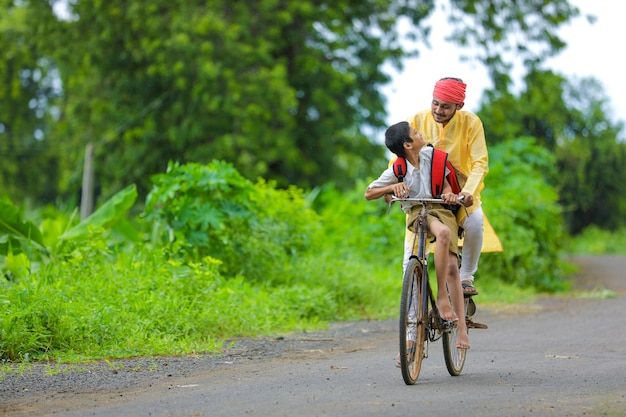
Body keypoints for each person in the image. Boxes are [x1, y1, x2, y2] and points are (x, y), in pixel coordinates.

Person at [365, 121, 470, 350]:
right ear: (408, 144)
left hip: (441, 210)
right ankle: (435, 304)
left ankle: (461, 327)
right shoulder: (398, 169)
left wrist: (450, 195)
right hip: (418, 213)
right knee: (435, 240)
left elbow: (446, 187)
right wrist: (391, 188)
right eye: (415, 132)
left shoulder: (433, 157)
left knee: (453, 267)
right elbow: (369, 192)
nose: (420, 133)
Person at [400, 77, 491, 296]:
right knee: (408, 263)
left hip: (459, 193)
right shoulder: (415, 121)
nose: (438, 110)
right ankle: (412, 328)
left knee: (475, 223)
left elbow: (480, 163)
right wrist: (398, 183)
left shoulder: (471, 123)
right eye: (435, 103)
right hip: (423, 195)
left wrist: (468, 192)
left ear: (459, 107)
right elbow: (398, 158)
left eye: (445, 106)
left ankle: (466, 276)